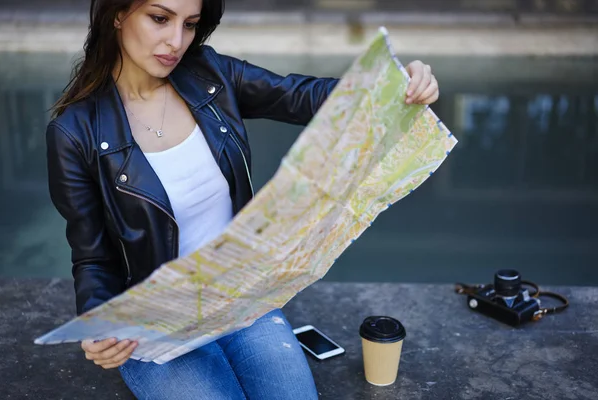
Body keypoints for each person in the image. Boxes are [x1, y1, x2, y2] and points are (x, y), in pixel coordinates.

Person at [46, 0, 440, 398]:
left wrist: (394, 83)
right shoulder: (74, 133)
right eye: (160, 18)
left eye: (190, 24)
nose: (176, 41)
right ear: (117, 13)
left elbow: (302, 96)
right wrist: (97, 324)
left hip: (242, 300)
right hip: (156, 329)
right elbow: (93, 256)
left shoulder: (210, 74)